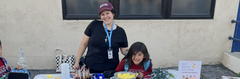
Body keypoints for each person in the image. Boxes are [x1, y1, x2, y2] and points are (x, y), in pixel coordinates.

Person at [74, 2, 128, 73]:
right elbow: (83, 44)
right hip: (91, 67)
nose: (105, 16)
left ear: (113, 14)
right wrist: (77, 62)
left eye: (107, 13)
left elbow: (124, 51)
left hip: (111, 70)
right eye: (103, 14)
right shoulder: (94, 25)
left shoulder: (121, 31)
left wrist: (135, 51)